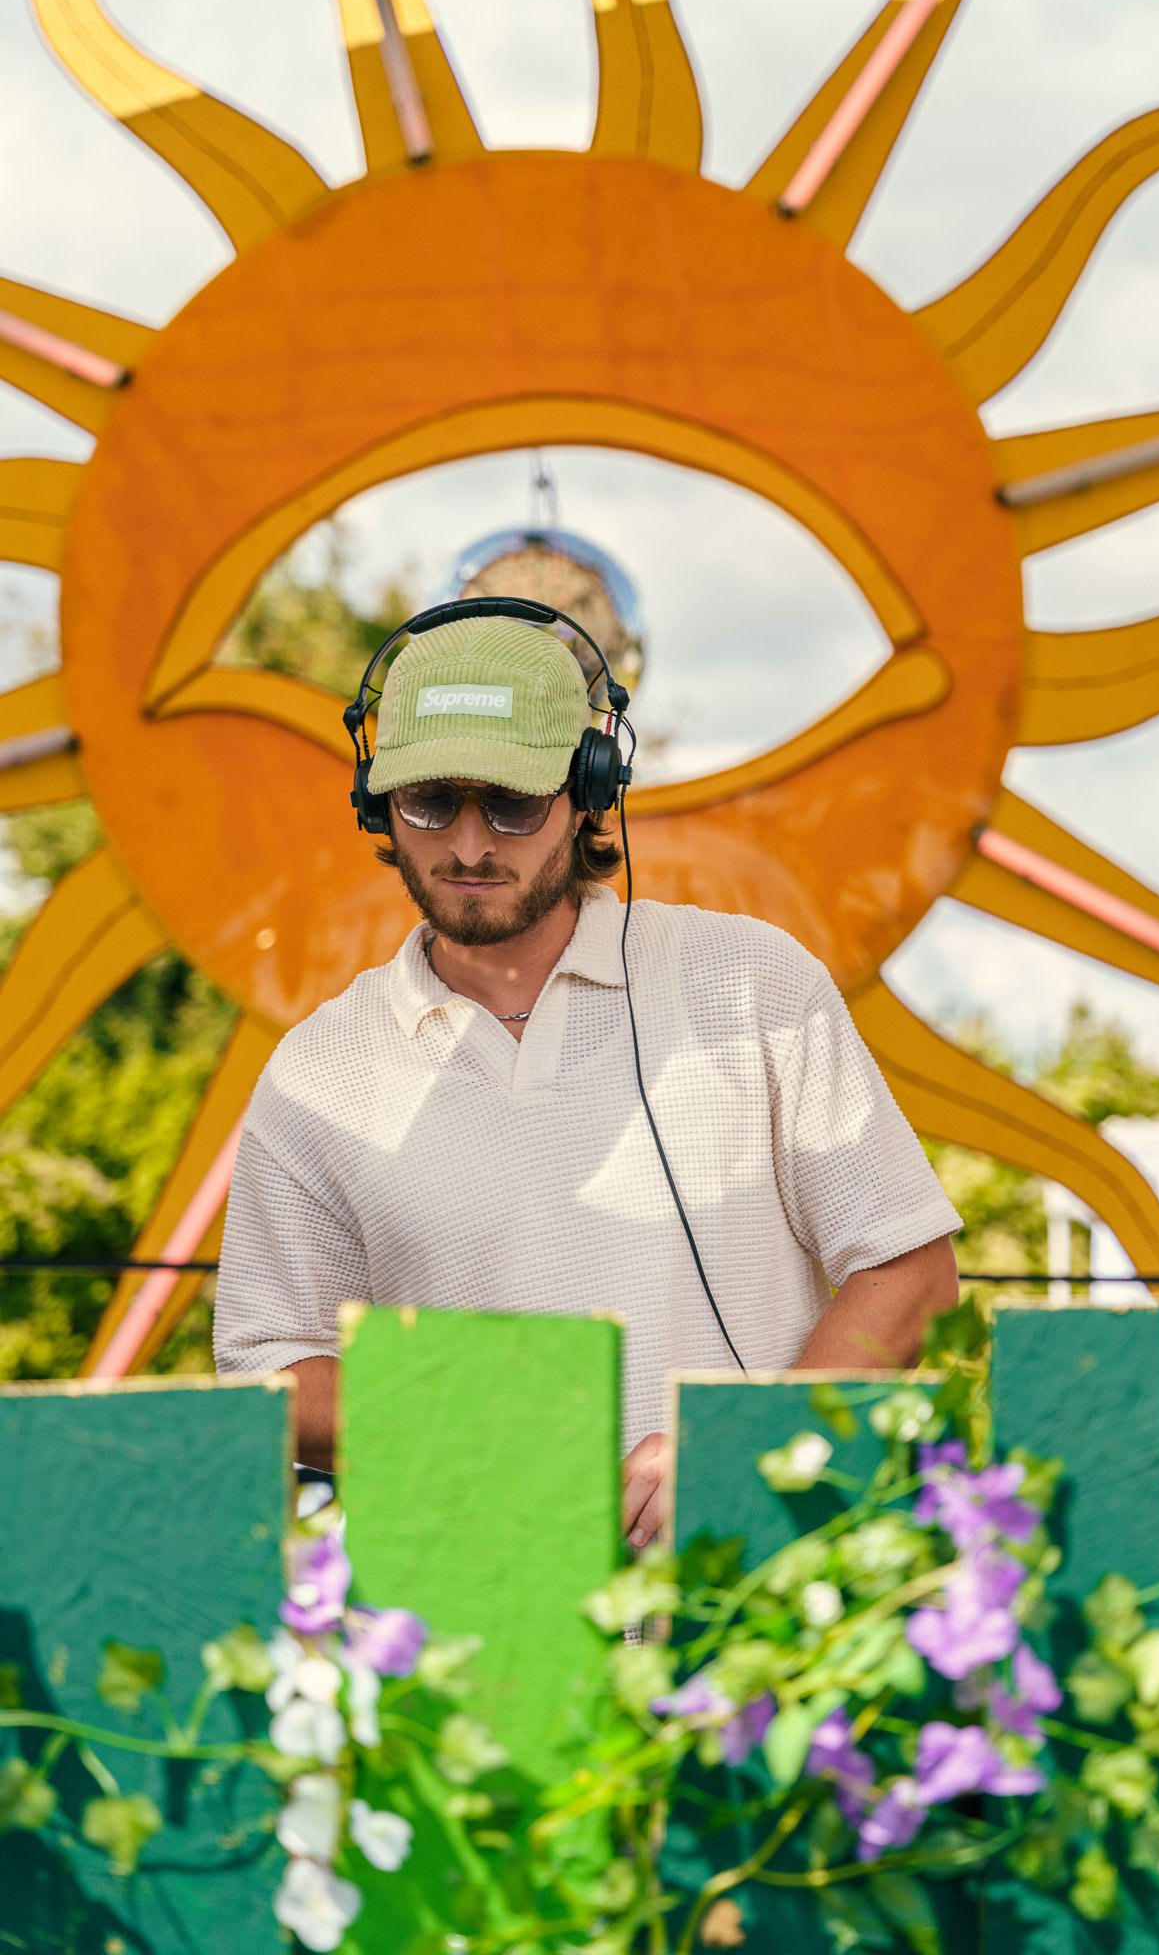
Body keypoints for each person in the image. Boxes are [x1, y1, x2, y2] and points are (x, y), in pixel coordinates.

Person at [213, 611, 961, 1546]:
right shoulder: (317, 1072)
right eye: (429, 803)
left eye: (514, 804)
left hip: (755, 1591)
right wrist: (500, 1436)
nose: (471, 846)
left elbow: (911, 1273)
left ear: (590, 791)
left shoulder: (754, 984)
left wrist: (746, 1448)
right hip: (471, 1612)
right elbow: (268, 1363)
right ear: (374, 801)